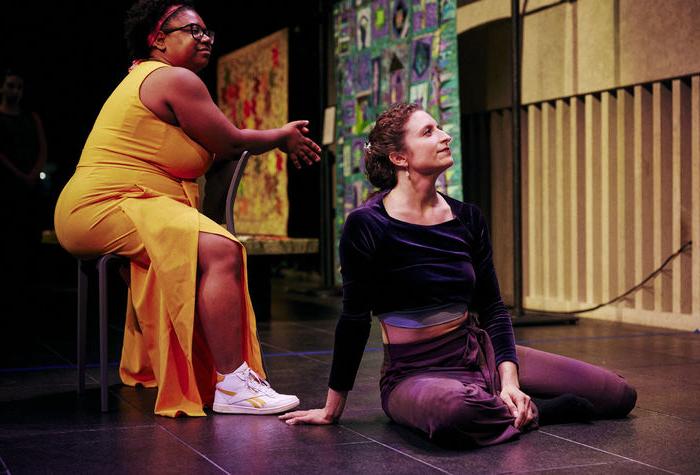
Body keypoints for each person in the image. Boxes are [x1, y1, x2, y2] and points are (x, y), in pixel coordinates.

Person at [280, 103, 636, 446]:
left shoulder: (467, 217)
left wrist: (509, 380)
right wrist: (332, 409)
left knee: (619, 395)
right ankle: (537, 411)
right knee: (454, 412)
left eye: (441, 128)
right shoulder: (367, 224)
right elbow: (354, 319)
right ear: (399, 158)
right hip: (414, 373)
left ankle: (503, 399)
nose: (445, 135)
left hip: (476, 352)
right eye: (429, 131)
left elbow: (493, 307)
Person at [54, 0, 321, 418]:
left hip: (114, 201)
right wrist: (281, 136)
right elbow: (230, 142)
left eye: (208, 32)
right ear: (158, 39)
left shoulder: (152, 80)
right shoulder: (172, 78)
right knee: (222, 249)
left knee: (201, 251)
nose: (206, 39)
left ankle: (192, 372)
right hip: (106, 202)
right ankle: (234, 383)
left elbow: (212, 151)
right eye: (193, 31)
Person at [0, 68, 48, 314]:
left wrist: (33, 173)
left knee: (30, 239)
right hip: (8, 188)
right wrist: (19, 175)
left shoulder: (31, 117)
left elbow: (42, 148)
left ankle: (29, 295)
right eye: (10, 86)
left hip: (29, 189)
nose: (15, 91)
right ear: (2, 87)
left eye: (18, 87)